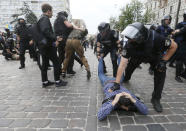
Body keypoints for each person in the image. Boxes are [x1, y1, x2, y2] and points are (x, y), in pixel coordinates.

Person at [112, 22, 177, 113]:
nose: (129, 40)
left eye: (132, 38)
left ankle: (156, 99)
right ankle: (127, 78)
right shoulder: (129, 45)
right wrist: (117, 83)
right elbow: (122, 64)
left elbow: (174, 46)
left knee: (161, 71)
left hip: (154, 57)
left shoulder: (157, 38)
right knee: (128, 71)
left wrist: (163, 61)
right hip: (137, 57)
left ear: (140, 37)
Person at [37, 3, 67, 87]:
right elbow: (46, 32)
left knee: (45, 64)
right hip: (48, 46)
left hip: (43, 46)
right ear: (48, 11)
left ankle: (45, 82)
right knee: (56, 63)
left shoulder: (41, 18)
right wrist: (56, 38)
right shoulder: (45, 19)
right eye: (52, 11)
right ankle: (58, 81)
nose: (52, 13)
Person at [172, 11, 186, 82]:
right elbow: (175, 33)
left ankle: (183, 74)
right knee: (180, 61)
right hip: (182, 45)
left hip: (182, 44)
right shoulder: (181, 25)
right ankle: (177, 76)